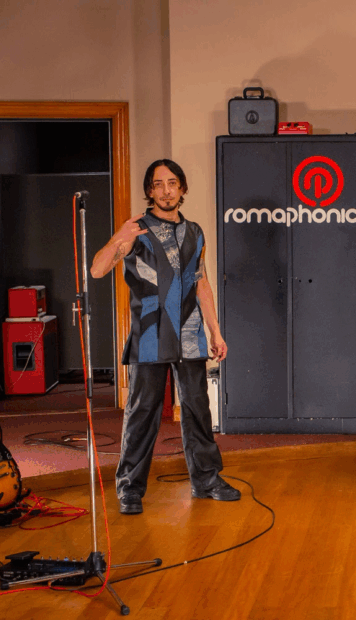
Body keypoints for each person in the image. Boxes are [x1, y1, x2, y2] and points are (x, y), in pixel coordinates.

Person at [90, 159, 240, 514]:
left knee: (197, 409)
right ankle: (130, 488)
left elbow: (201, 283)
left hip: (190, 332)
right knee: (142, 412)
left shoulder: (195, 232)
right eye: (158, 184)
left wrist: (215, 331)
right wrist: (118, 238)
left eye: (172, 183)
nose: (166, 190)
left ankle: (207, 480)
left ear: (182, 188)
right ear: (150, 190)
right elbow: (97, 270)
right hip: (149, 334)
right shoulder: (136, 230)